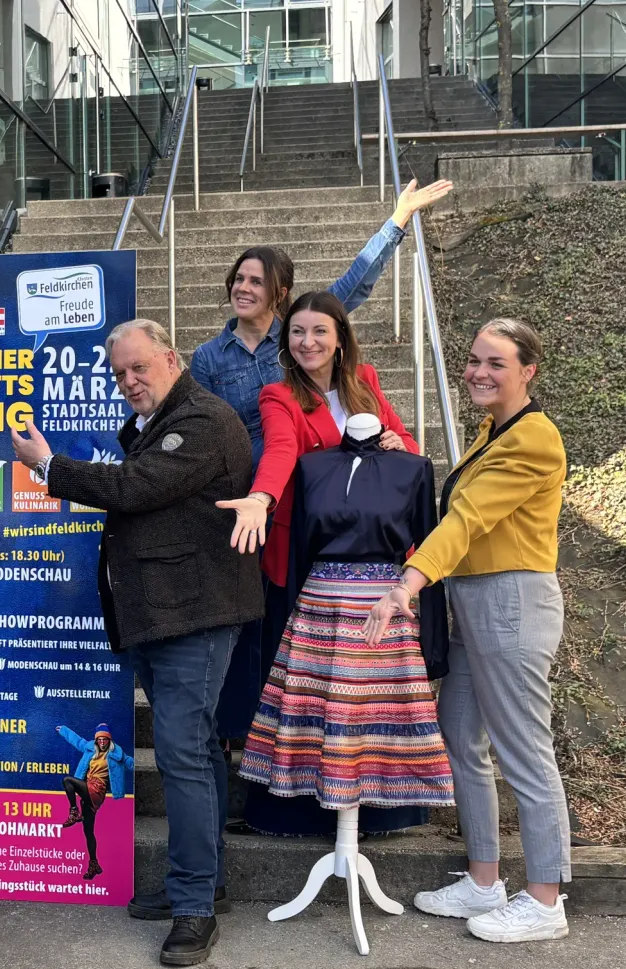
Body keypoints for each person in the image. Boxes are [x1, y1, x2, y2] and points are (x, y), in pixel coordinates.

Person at [11, 318, 262, 968]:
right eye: (120, 373)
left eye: (138, 368)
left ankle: (194, 909)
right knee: (197, 753)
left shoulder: (202, 421)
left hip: (193, 618)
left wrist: (47, 465)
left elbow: (134, 488)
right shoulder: (163, 424)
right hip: (165, 617)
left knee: (182, 757)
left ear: (172, 358)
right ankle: (200, 884)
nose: (129, 382)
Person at [191, 178, 452, 749]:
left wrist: (397, 221)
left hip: (328, 518)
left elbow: (350, 286)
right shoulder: (211, 357)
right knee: (261, 636)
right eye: (238, 278)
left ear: (281, 294)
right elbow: (211, 428)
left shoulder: (304, 340)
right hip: (257, 504)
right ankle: (249, 740)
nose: (243, 288)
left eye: (256, 281)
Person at [363, 317, 571, 944]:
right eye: (475, 359)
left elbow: (469, 519)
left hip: (511, 598)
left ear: (528, 371)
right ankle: (484, 879)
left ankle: (545, 897)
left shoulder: (534, 439)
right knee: (460, 735)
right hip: (474, 600)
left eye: (496, 363)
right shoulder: (493, 430)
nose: (479, 371)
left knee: (524, 752)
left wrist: (408, 582)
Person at [218, 291, 424, 839]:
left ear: (340, 339)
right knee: (303, 688)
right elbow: (281, 451)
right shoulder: (278, 395)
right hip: (308, 556)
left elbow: (409, 445)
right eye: (297, 333)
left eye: (319, 332)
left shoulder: (367, 382)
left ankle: (377, 808)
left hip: (373, 561)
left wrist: (393, 439)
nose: (307, 342)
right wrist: (261, 498)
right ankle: (290, 809)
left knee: (365, 690)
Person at [56, 724, 134, 881]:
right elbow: (77, 741)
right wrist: (64, 731)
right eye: (100, 739)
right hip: (88, 789)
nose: (102, 742)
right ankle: (94, 864)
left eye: (105, 739)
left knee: (67, 781)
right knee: (88, 832)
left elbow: (130, 763)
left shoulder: (116, 753)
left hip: (97, 790)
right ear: (96, 740)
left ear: (109, 740)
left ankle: (73, 812)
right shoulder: (90, 748)